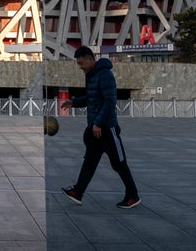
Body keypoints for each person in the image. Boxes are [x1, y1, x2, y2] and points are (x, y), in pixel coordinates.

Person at [59, 46, 141, 209]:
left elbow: (110, 101)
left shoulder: (105, 75)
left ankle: (133, 195)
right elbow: (92, 98)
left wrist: (98, 123)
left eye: (81, 63)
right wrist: (74, 102)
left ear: (89, 58)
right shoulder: (91, 75)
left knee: (119, 164)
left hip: (107, 129)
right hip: (94, 130)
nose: (80, 67)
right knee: (89, 161)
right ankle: (78, 192)